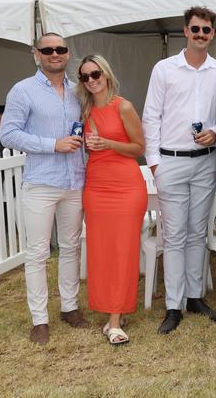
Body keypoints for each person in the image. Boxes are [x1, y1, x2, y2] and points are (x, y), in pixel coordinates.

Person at [142, 6, 216, 334]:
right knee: (174, 235)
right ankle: (172, 305)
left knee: (198, 232)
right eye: (195, 29)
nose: (200, 34)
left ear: (212, 34)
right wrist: (154, 162)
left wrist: (215, 131)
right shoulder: (164, 69)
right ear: (185, 31)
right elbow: (151, 116)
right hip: (171, 161)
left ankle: (194, 297)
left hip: (206, 160)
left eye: (206, 30)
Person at [1, 32, 87, 345]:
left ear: (67, 53)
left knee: (71, 247)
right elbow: (9, 134)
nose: (55, 54)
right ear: (36, 54)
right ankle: (39, 320)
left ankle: (70, 308)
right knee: (37, 253)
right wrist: (53, 145)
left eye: (60, 49)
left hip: (75, 181)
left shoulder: (78, 90)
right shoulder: (23, 90)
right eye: (48, 50)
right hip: (40, 182)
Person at [76, 54, 146, 345]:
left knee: (123, 251)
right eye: (85, 76)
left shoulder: (123, 106)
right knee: (101, 251)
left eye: (95, 74)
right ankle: (110, 311)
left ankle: (115, 320)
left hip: (126, 187)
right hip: (96, 187)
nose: (91, 80)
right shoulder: (84, 111)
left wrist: (108, 144)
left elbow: (139, 147)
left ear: (106, 74)